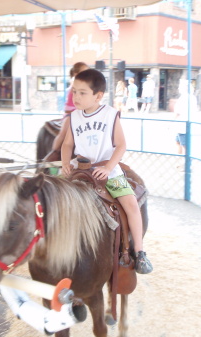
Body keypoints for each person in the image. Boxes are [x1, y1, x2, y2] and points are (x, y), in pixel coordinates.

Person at [61, 69, 153, 274]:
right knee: (54, 195)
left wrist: (108, 167)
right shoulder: (74, 117)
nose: (76, 97)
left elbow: (121, 145)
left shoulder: (110, 115)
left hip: (107, 170)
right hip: (81, 169)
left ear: (98, 96)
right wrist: (66, 163)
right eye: (74, 92)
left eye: (82, 93)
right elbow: (67, 144)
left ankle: (139, 252)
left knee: (130, 203)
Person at [49, 62, 89, 156]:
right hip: (71, 113)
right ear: (76, 74)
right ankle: (54, 153)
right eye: (85, 72)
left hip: (82, 114)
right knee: (64, 133)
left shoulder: (86, 85)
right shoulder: (76, 84)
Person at [174, 80, 198, 155]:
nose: (178, 88)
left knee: (184, 144)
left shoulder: (183, 98)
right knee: (178, 142)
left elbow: (178, 112)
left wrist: (172, 121)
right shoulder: (192, 97)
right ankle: (180, 159)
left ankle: (186, 162)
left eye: (180, 87)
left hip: (182, 123)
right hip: (186, 123)